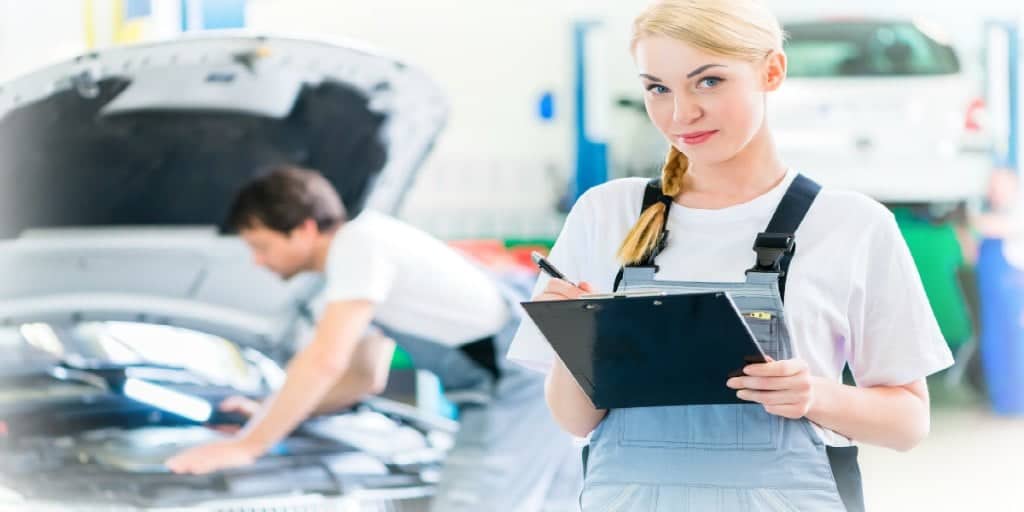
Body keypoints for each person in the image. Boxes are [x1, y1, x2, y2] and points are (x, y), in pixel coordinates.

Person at [507, 1, 954, 510]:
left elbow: (908, 424)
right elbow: (574, 420)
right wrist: (575, 335)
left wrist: (815, 396)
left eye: (708, 81)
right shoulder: (606, 214)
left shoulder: (852, 225)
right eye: (658, 88)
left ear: (772, 71)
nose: (680, 114)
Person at [165, 165, 581, 512]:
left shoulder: (358, 244)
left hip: (520, 386)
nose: (258, 262)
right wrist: (267, 409)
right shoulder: (364, 256)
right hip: (528, 380)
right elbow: (362, 378)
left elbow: (325, 360)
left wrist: (248, 445)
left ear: (305, 229)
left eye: (261, 246)